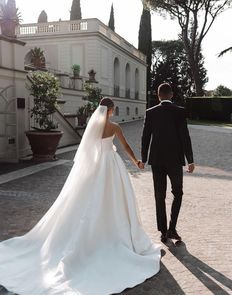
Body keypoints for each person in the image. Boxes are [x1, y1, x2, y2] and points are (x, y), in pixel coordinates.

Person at [0, 97, 161, 295]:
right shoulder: (115, 127)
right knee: (116, 200)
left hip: (96, 166)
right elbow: (126, 146)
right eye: (114, 109)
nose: (113, 111)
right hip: (111, 165)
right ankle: (115, 232)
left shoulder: (93, 128)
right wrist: (137, 161)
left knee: (90, 200)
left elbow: (87, 150)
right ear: (110, 110)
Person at [141, 83, 195, 243]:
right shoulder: (180, 112)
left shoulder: (150, 112)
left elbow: (145, 137)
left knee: (159, 195)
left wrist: (143, 159)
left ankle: (163, 232)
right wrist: (190, 160)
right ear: (171, 95)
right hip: (175, 161)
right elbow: (185, 137)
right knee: (177, 193)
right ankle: (172, 228)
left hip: (156, 160)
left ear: (158, 96)